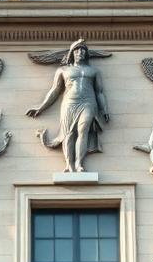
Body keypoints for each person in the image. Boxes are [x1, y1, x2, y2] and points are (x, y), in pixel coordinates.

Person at [27, 39, 109, 173]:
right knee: (69, 134)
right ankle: (69, 165)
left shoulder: (93, 71)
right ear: (72, 53)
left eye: (83, 50)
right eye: (77, 50)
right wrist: (41, 107)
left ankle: (79, 164)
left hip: (88, 102)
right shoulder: (63, 70)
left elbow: (99, 92)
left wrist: (104, 109)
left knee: (83, 130)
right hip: (70, 103)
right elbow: (54, 91)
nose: (80, 52)